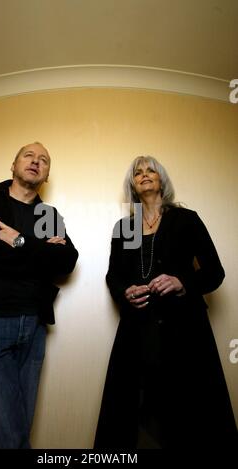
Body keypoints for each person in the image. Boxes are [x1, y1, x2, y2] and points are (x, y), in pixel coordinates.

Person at [94, 156, 237, 449]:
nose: (144, 175)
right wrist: (125, 292)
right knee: (135, 413)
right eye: (138, 172)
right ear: (133, 184)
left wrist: (182, 281)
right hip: (138, 330)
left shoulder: (185, 218)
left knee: (191, 410)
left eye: (151, 170)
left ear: (161, 181)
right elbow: (113, 277)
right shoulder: (126, 227)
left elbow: (214, 272)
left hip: (185, 329)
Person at [0, 142, 78, 449]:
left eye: (44, 160)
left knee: (18, 434)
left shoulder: (48, 214)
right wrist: (42, 251)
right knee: (5, 438)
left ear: (47, 175)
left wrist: (17, 240)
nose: (36, 161)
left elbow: (67, 262)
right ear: (13, 164)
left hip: (32, 328)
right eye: (29, 156)